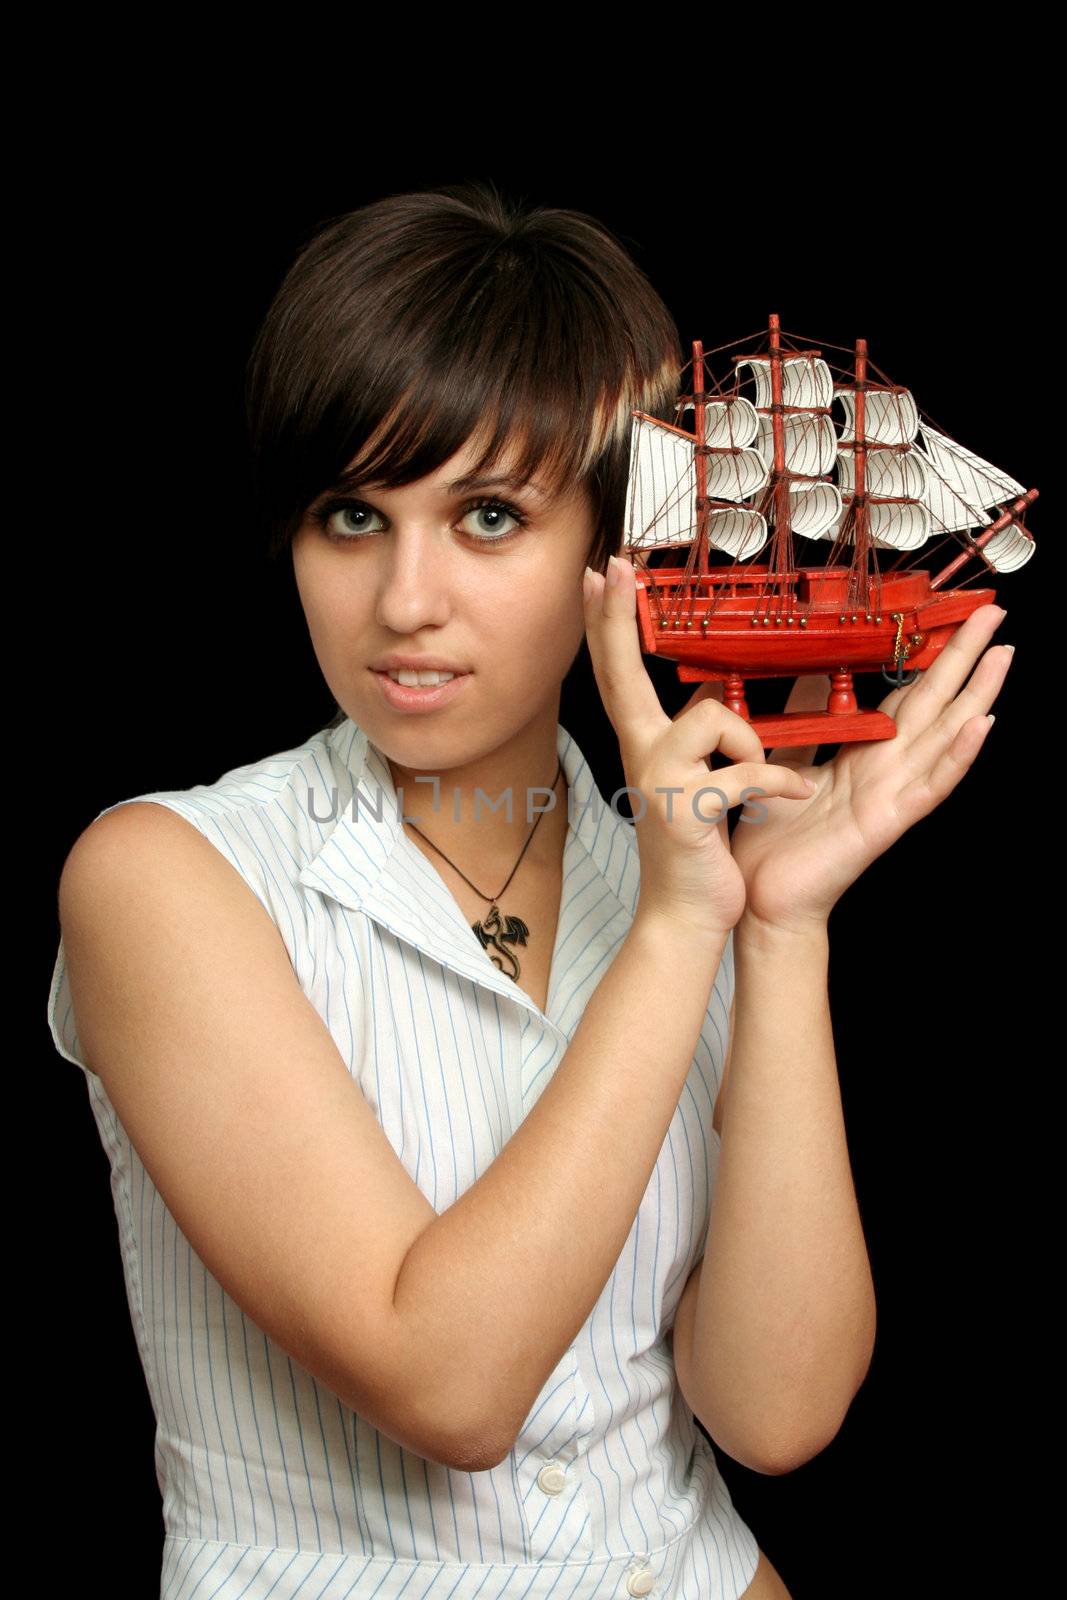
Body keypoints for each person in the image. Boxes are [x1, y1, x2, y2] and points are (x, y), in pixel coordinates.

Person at [46, 181, 1013, 1599]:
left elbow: (775, 1413)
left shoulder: (677, 865)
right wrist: (688, 931)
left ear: (612, 551)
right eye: (351, 515)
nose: (404, 599)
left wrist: (781, 925)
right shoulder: (171, 880)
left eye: (490, 516)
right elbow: (449, 1386)